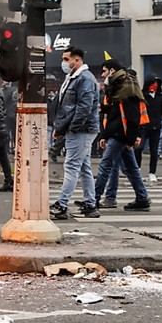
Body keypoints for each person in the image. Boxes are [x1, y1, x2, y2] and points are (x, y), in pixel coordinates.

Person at [93, 59, 151, 211]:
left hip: (120, 134)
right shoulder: (119, 86)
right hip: (120, 133)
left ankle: (93, 200)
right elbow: (116, 114)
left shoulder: (125, 88)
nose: (102, 74)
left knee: (106, 165)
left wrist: (131, 139)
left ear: (112, 71)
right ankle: (142, 197)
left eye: (104, 71)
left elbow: (130, 116)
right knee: (131, 168)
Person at [49, 47, 100, 220]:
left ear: (76, 60)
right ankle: (90, 204)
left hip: (81, 130)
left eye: (66, 59)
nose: (63, 63)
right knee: (83, 167)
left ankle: (61, 205)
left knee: (71, 167)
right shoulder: (72, 78)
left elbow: (83, 108)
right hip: (78, 129)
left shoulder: (84, 79)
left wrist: (71, 128)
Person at [135, 74, 162, 181]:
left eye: (156, 84)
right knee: (139, 148)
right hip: (144, 126)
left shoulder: (160, 96)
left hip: (156, 126)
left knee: (154, 151)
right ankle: (137, 169)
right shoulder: (142, 96)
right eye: (152, 84)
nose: (154, 86)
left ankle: (152, 172)